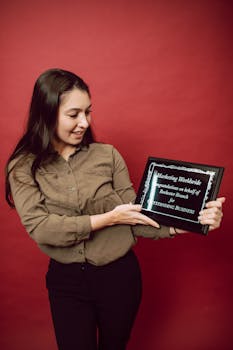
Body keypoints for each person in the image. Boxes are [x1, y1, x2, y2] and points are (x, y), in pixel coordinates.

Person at [5, 68, 225, 350]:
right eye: (74, 114)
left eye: (88, 112)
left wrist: (186, 222)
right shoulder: (23, 167)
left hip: (120, 278)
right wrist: (108, 219)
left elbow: (133, 216)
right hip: (67, 282)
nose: (84, 122)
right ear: (46, 113)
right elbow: (42, 229)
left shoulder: (107, 155)